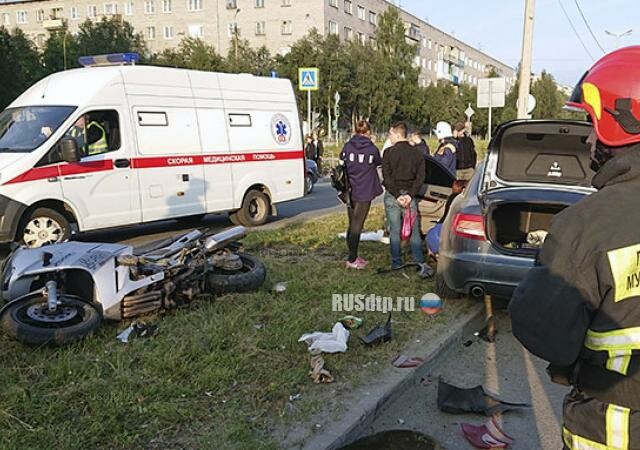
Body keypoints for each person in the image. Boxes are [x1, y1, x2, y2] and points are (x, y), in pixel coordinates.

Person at [509, 46, 640, 449]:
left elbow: (543, 333)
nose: (586, 138)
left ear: (622, 123)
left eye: (591, 124)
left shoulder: (585, 226)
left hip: (612, 427)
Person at [382, 121, 430, 276]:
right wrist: (410, 195)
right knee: (414, 230)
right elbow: (421, 177)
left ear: (397, 134)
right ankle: (419, 260)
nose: (389, 137)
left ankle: (396, 262)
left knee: (394, 230)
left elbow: (387, 177)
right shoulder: (417, 153)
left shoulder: (388, 153)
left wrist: (397, 195)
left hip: (392, 196)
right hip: (410, 196)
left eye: (390, 134)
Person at [339, 119, 383, 269]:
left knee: (352, 223)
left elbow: (341, 161)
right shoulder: (372, 149)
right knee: (358, 225)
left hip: (349, 189)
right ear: (368, 132)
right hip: (365, 190)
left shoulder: (347, 146)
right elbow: (378, 162)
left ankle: (353, 254)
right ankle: (352, 260)